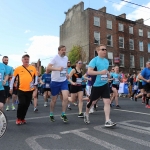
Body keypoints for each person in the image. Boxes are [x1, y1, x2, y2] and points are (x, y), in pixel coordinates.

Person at [84, 44, 116, 127]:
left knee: (107, 102)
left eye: (105, 49)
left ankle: (107, 120)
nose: (105, 51)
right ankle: (86, 113)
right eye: (103, 49)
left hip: (104, 84)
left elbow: (105, 71)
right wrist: (100, 73)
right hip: (96, 84)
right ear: (97, 51)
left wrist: (108, 73)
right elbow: (90, 72)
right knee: (92, 102)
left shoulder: (106, 61)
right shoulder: (94, 60)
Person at [10, 54, 38, 125]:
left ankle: (23, 118)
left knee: (27, 105)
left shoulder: (33, 68)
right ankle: (18, 118)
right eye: (25, 59)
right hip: (21, 89)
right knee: (22, 103)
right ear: (22, 60)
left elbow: (36, 77)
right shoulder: (18, 68)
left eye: (27, 59)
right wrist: (11, 88)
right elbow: (13, 79)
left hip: (30, 90)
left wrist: (35, 84)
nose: (26, 60)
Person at [47, 45, 69, 122]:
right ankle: (51, 114)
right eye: (62, 50)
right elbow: (48, 68)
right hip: (55, 81)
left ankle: (63, 114)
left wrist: (66, 74)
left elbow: (65, 68)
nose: (64, 51)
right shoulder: (55, 57)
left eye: (65, 50)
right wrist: (57, 69)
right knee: (54, 99)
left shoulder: (66, 58)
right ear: (59, 51)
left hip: (63, 81)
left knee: (66, 97)